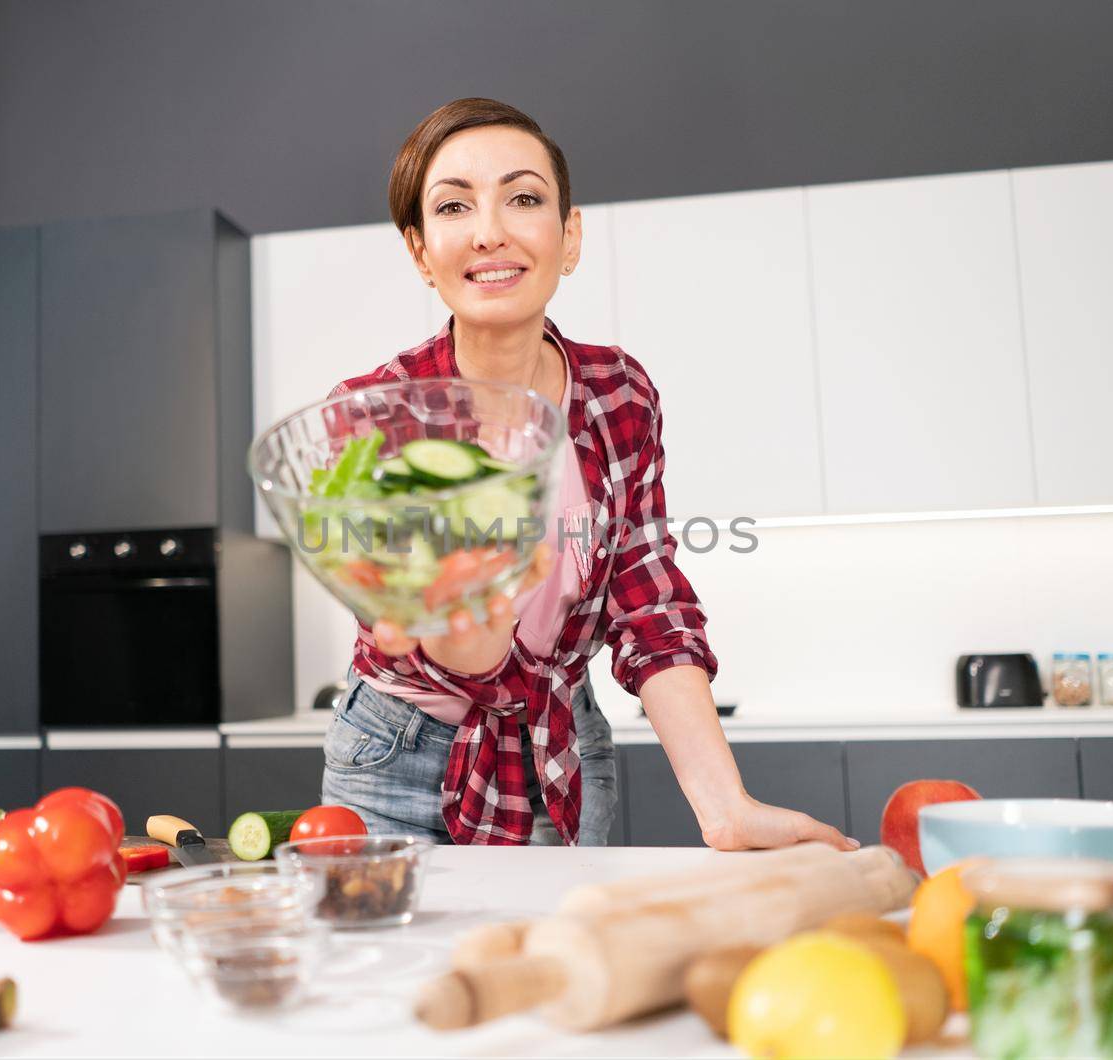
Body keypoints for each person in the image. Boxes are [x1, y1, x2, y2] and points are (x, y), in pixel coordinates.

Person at [320, 97, 854, 852]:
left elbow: (647, 602)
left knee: (559, 968)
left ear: (569, 238)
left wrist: (724, 805)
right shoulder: (374, 415)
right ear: (419, 252)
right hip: (395, 762)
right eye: (453, 206)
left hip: (560, 751)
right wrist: (465, 634)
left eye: (524, 198)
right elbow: (404, 625)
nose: (490, 231)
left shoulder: (618, 392)